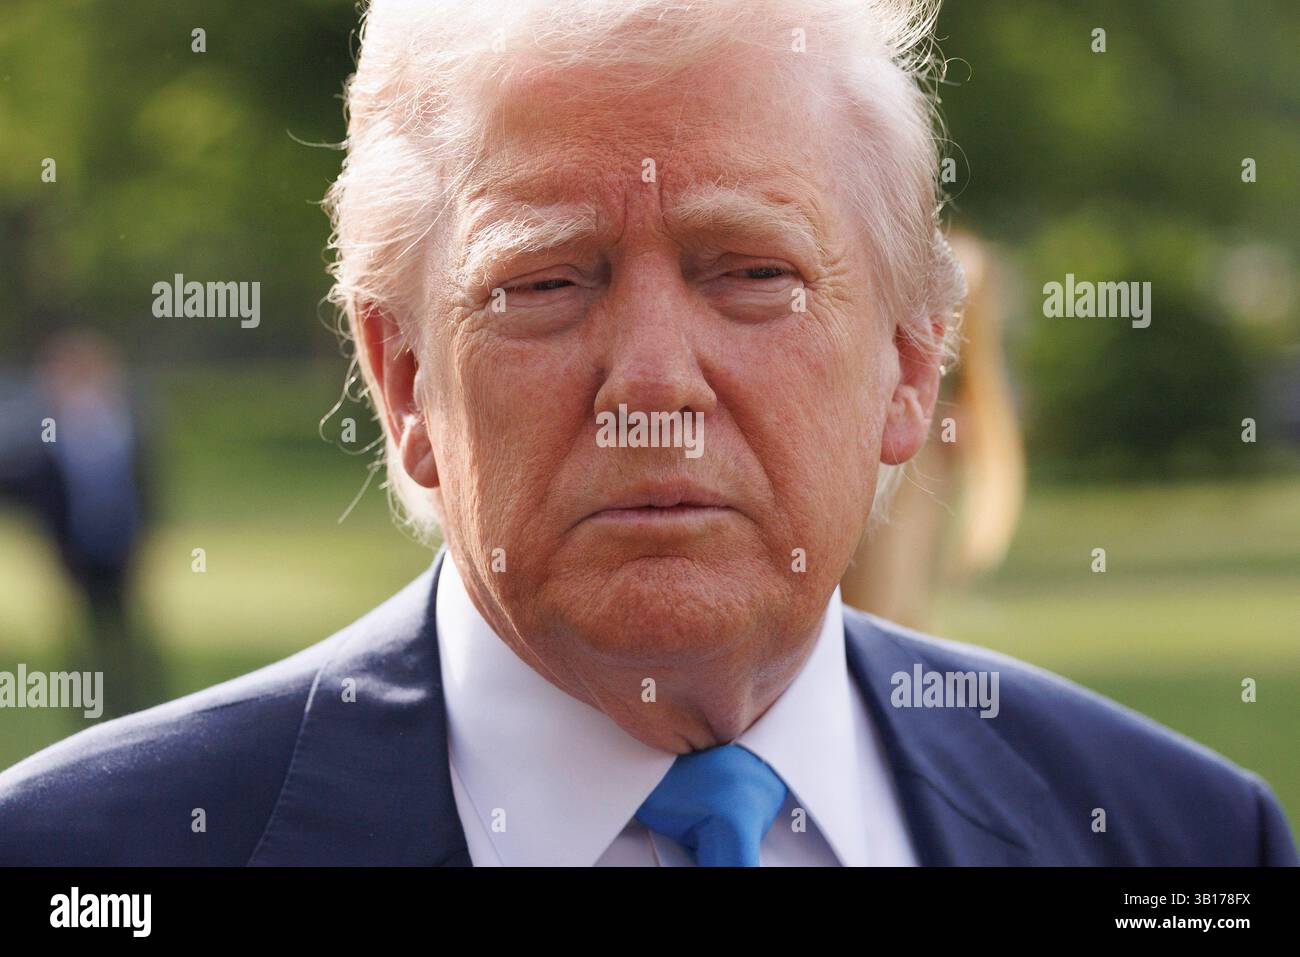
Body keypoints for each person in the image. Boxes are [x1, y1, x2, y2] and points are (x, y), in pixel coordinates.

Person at [0, 0, 1293, 866]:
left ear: (910, 365)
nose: (655, 384)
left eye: (752, 273)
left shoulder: (1182, 842)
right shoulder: (80, 859)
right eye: (547, 282)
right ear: (404, 381)